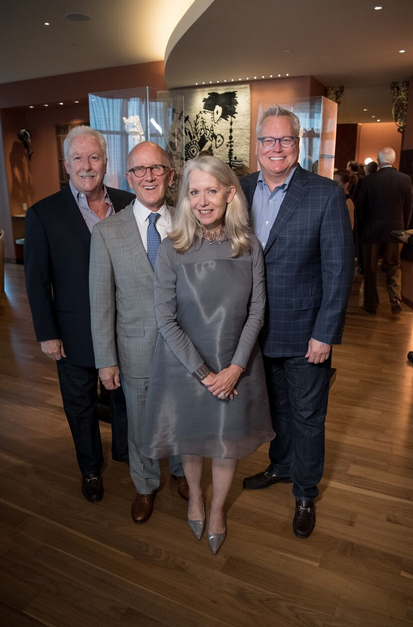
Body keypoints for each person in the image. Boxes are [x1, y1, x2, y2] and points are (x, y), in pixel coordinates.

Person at [139, 155, 274, 554]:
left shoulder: (249, 247)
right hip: (186, 366)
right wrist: (204, 373)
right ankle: (196, 498)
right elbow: (165, 319)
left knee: (227, 442)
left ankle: (217, 510)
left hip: (237, 366)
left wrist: (234, 368)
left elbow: (257, 312)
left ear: (229, 194)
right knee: (192, 439)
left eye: (211, 191)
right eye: (194, 192)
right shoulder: (172, 249)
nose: (202, 201)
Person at [241, 105, 354, 538]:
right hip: (254, 331)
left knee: (308, 415)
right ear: (257, 145)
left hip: (306, 333)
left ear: (298, 144)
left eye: (285, 139)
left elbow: (338, 271)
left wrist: (325, 333)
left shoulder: (325, 194)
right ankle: (281, 465)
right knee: (275, 408)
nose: (276, 147)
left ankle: (305, 492)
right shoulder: (238, 189)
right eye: (268, 139)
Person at [25, 126, 134, 503]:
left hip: (126, 327)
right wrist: (47, 333)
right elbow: (36, 280)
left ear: (105, 161)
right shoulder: (43, 214)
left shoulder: (129, 203)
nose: (87, 166)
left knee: (124, 396)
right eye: (78, 158)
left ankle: (125, 452)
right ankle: (90, 468)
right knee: (80, 403)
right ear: (66, 164)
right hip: (74, 331)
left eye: (94, 157)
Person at [89, 141, 189, 525]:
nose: (148, 176)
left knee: (182, 415)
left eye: (156, 168)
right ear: (128, 178)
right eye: (139, 170)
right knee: (140, 423)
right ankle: (145, 484)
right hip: (135, 349)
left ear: (169, 175)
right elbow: (101, 302)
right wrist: (106, 361)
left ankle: (181, 470)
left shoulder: (190, 223)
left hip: (186, 348)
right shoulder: (106, 232)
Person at [357, 147, 413, 315]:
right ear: (393, 160)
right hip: (396, 229)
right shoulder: (405, 179)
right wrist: (404, 228)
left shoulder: (368, 180)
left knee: (370, 268)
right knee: (394, 264)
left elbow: (360, 206)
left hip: (371, 229)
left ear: (378, 161)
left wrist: (361, 227)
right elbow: (409, 207)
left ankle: (371, 304)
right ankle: (395, 297)